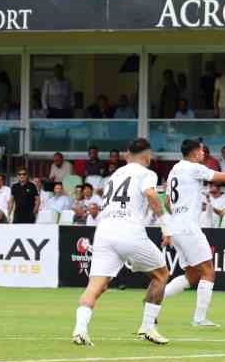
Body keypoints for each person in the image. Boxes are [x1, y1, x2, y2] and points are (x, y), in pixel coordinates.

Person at [71, 139, 171, 347]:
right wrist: (165, 225)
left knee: (96, 286)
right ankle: (147, 327)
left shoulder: (115, 175)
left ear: (127, 156)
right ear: (147, 156)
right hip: (128, 230)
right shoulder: (147, 173)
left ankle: (80, 330)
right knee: (161, 274)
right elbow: (151, 194)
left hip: (104, 231)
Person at [158, 140, 225, 328]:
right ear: (194, 152)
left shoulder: (175, 169)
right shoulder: (194, 168)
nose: (203, 153)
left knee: (192, 275)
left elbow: (167, 202)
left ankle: (155, 299)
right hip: (188, 227)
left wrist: (181, 212)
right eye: (201, 150)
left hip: (176, 227)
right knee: (208, 271)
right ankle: (199, 319)